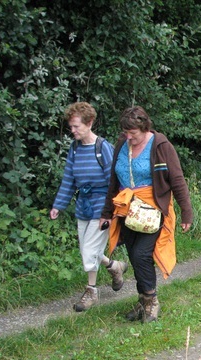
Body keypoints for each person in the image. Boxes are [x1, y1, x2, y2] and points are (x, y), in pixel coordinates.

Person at [100, 106, 193, 323]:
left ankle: (152, 301)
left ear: (144, 128)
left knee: (142, 255)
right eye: (126, 132)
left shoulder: (161, 146)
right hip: (127, 210)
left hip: (153, 210)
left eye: (133, 133)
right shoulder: (122, 145)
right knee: (134, 256)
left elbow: (177, 180)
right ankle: (142, 301)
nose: (129, 137)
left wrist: (186, 212)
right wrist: (106, 212)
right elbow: (113, 181)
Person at [50, 102, 127, 312]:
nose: (72, 131)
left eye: (76, 126)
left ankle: (91, 291)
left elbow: (114, 181)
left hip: (101, 207)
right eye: (71, 127)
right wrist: (59, 205)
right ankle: (115, 266)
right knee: (87, 250)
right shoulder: (74, 148)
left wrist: (109, 212)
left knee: (89, 251)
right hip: (83, 207)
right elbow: (69, 179)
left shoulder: (102, 148)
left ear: (89, 123)